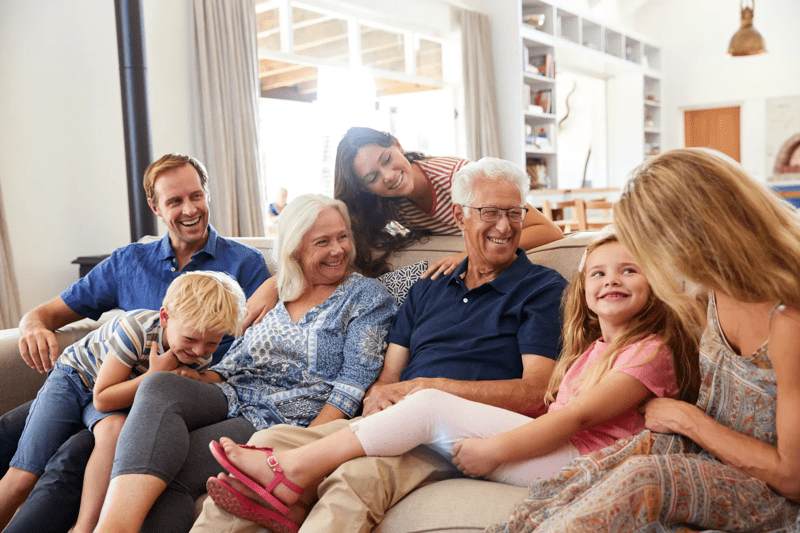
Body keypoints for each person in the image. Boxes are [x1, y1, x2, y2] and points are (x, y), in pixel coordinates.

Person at [204, 230, 701, 532]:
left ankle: (291, 471)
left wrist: (495, 450)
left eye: (629, 271)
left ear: (654, 281)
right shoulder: (592, 347)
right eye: (597, 274)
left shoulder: (645, 349)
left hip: (575, 460)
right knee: (268, 437)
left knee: (426, 409)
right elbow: (381, 345)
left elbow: (567, 415)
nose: (610, 281)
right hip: (521, 438)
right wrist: (278, 280)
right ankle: (284, 470)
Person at [190, 157, 568, 533]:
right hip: (398, 419)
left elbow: (534, 393)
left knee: (357, 475)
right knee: (266, 444)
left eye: (514, 213)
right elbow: (388, 375)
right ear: (459, 215)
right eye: (490, 212)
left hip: (458, 433)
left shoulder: (541, 288)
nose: (504, 225)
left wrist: (428, 389)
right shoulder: (429, 286)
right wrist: (378, 398)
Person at [487, 148, 800, 532]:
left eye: (651, 246)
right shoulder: (711, 293)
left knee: (642, 479)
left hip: (771, 492)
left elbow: (793, 478)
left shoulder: (789, 320)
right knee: (588, 473)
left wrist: (691, 421)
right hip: (702, 455)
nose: (657, 262)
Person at [92, 194, 397, 533]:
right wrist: (193, 378)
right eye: (322, 242)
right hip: (231, 393)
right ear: (295, 248)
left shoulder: (367, 298)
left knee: (176, 472)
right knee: (158, 383)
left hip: (280, 416)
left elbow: (353, 383)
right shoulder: (281, 289)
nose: (338, 249)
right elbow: (235, 359)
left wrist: (306, 448)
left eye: (342, 237)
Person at [0, 153, 268, 533]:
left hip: (142, 404)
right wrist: (33, 326)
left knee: (76, 450)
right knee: (11, 429)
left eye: (196, 196)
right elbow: (49, 314)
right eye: (175, 201)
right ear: (155, 206)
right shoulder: (130, 261)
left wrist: (280, 282)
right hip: (91, 379)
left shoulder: (245, 266)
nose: (189, 209)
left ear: (207, 195)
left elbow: (256, 353)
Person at [243, 128, 564, 329]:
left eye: (386, 158)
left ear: (397, 144)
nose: (388, 176)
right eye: (372, 178)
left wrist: (465, 254)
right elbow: (330, 246)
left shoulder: (457, 176)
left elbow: (548, 231)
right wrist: (277, 283)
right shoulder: (388, 202)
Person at [0, 271, 246, 532]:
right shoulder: (136, 329)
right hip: (76, 379)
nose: (198, 351)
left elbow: (187, 379)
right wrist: (155, 375)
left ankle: (86, 527)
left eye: (211, 344)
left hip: (119, 393)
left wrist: (196, 377)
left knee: (114, 430)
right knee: (25, 474)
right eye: (190, 339)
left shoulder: (196, 353)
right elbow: (103, 398)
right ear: (165, 317)